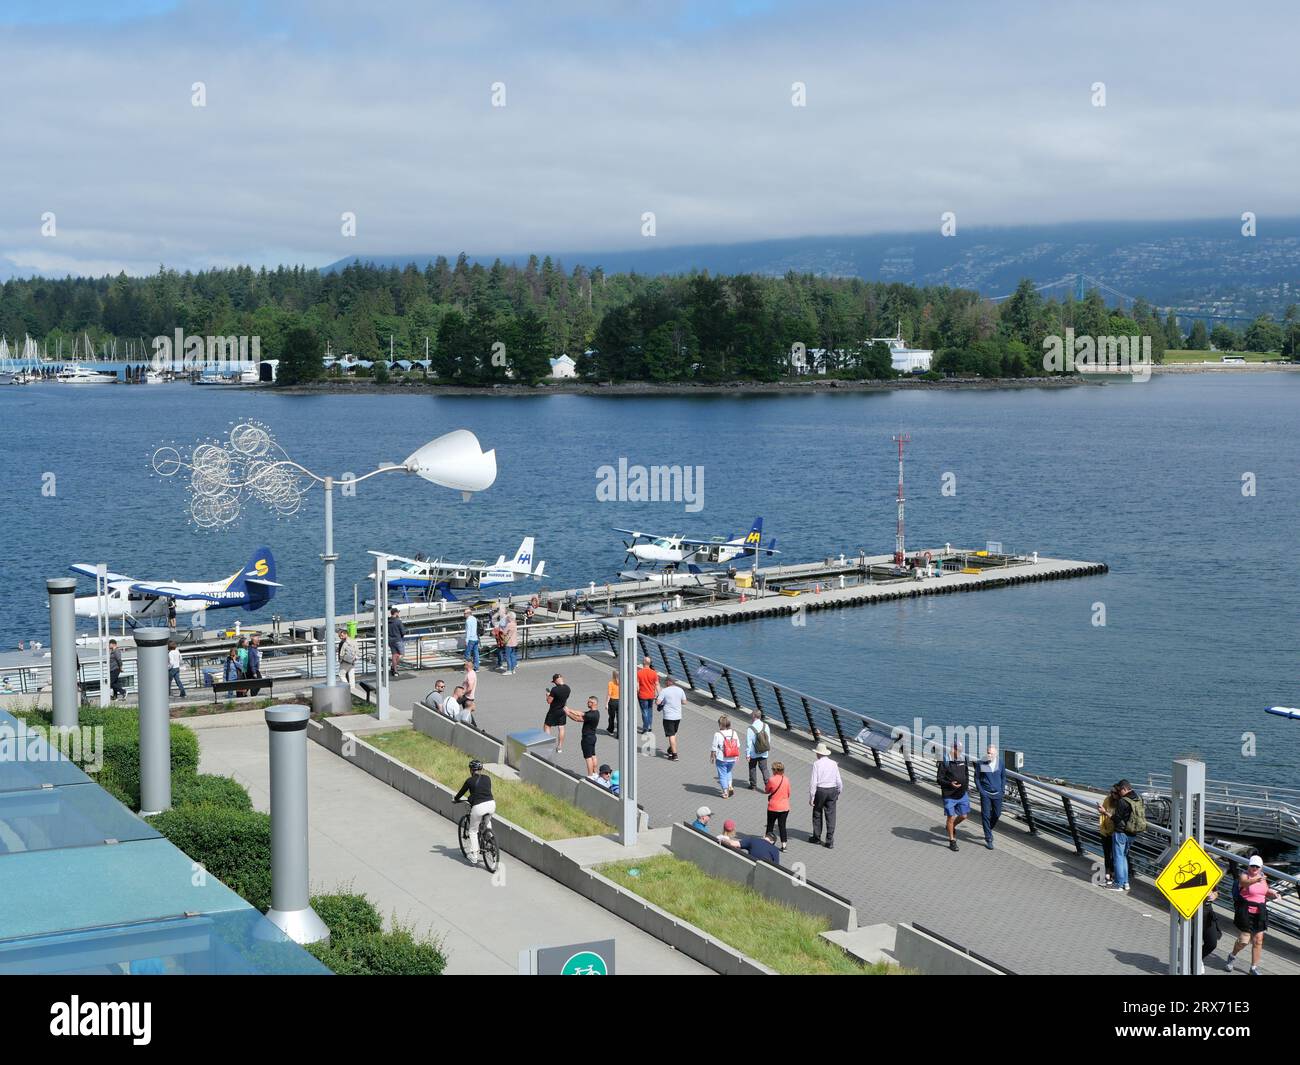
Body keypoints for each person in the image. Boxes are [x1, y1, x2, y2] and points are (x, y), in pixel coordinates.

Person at [1226, 855, 1282, 975]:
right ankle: (1232, 955)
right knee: (1244, 940)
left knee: (1258, 941)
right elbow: (1244, 883)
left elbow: (1265, 891)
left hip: (1260, 912)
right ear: (1249, 866)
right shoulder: (1244, 875)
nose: (1254, 868)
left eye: (1257, 866)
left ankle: (1253, 968)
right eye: (1253, 865)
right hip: (1246, 911)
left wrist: (1275, 893)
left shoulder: (1262, 877)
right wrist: (1256, 880)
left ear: (1261, 868)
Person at [453, 759, 496, 865]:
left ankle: (474, 856)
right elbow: (483, 791)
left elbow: (461, 792)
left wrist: (455, 799)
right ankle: (490, 841)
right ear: (480, 769)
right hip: (491, 804)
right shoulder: (487, 778)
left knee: (473, 831)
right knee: (487, 821)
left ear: (471, 770)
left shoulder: (469, 781)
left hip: (478, 807)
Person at [1108, 779, 1146, 893]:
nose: (1119, 792)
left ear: (1125, 789)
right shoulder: (1139, 798)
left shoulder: (1123, 801)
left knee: (1118, 858)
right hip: (1133, 833)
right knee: (1124, 857)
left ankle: (1118, 884)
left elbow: (1117, 818)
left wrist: (1105, 813)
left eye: (1120, 790)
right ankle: (1126, 883)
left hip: (1121, 832)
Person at [938, 741, 970, 852]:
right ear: (953, 749)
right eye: (958, 750)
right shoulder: (945, 761)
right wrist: (950, 784)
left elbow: (966, 773)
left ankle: (950, 826)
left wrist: (965, 787)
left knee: (964, 816)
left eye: (961, 750)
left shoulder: (963, 759)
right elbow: (939, 779)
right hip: (949, 795)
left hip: (962, 793)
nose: (960, 752)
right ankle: (952, 840)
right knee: (950, 817)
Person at [809, 743, 842, 848]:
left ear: (818, 754)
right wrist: (838, 791)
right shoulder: (834, 763)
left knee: (817, 813)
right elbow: (839, 781)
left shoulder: (816, 764)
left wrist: (812, 796)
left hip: (820, 790)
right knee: (831, 816)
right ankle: (829, 841)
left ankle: (817, 837)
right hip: (832, 790)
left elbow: (813, 782)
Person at [974, 744, 1004, 849]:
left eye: (991, 753)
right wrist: (981, 791)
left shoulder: (1000, 763)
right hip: (985, 793)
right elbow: (977, 778)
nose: (988, 755)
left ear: (996, 754)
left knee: (997, 814)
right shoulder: (981, 763)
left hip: (997, 794)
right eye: (987, 752)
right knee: (985, 815)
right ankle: (988, 838)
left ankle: (988, 829)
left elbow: (1003, 777)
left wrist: (1002, 790)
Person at [567, 695, 602, 776]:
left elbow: (577, 718)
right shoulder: (595, 712)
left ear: (593, 703)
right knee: (593, 755)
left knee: (588, 758)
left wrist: (567, 713)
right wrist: (569, 710)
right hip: (593, 737)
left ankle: (590, 776)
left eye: (589, 702)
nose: (587, 703)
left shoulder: (591, 715)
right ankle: (595, 773)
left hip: (587, 738)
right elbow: (580, 713)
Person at [711, 715, 741, 797]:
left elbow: (714, 747)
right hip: (732, 757)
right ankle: (730, 785)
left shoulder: (717, 734)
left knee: (722, 774)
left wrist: (712, 757)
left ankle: (725, 792)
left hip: (722, 757)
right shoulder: (734, 733)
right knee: (728, 771)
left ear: (720, 724)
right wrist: (737, 756)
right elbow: (738, 745)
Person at [764, 759, 791, 849]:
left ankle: (768, 842)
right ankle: (784, 845)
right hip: (784, 807)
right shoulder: (786, 779)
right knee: (782, 826)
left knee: (770, 825)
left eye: (772, 769)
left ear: (775, 770)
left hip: (773, 807)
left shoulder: (771, 779)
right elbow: (788, 793)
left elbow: (766, 790)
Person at [656, 677, 685, 760]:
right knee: (674, 733)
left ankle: (674, 754)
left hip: (668, 717)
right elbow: (684, 702)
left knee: (671, 735)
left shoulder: (664, 691)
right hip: (678, 716)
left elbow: (658, 702)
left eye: (665, 681)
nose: (665, 683)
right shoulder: (680, 690)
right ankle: (671, 749)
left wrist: (662, 702)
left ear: (668, 682)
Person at [1097, 785, 1119, 886]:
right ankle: (1107, 875)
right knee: (1107, 855)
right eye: (1111, 792)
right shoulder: (1107, 800)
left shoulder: (1121, 803)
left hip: (1116, 833)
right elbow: (1102, 815)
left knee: (1115, 856)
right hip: (1105, 832)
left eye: (1115, 793)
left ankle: (1114, 875)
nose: (1112, 794)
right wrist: (1103, 829)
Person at [544, 672, 571, 753]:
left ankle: (548, 745)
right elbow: (564, 699)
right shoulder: (568, 688)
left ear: (555, 681)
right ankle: (559, 747)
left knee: (547, 726)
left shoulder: (554, 690)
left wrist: (547, 695)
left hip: (553, 711)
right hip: (562, 710)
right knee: (561, 728)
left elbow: (549, 701)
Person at [746, 710, 771, 790]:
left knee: (752, 768)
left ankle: (753, 785)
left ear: (754, 716)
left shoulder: (750, 728)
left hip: (753, 753)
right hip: (764, 752)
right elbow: (768, 739)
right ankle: (768, 786)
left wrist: (747, 754)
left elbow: (748, 743)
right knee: (764, 769)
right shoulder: (766, 726)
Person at [636, 656, 658, 734]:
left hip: (642, 695)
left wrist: (637, 693)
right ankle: (649, 726)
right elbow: (657, 684)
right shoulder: (654, 673)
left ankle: (645, 727)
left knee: (644, 711)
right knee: (650, 710)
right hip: (651, 695)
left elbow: (637, 686)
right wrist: (659, 695)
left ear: (644, 662)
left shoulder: (639, 673)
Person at [1202, 889, 1223, 964]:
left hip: (1207, 913)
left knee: (1212, 943)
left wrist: (1214, 895)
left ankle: (1197, 959)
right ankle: (1193, 964)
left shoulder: (1209, 877)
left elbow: (1216, 891)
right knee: (1194, 942)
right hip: (1191, 913)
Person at [387, 607, 406, 674]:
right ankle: (393, 667)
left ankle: (394, 670)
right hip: (398, 640)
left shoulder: (387, 621)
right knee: (402, 655)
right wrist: (401, 636)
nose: (398, 613)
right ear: (396, 613)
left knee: (394, 655)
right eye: (398, 612)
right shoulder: (398, 621)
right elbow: (403, 632)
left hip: (390, 641)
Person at [503, 611, 519, 675]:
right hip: (514, 642)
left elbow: (504, 632)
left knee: (507, 656)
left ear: (510, 618)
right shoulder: (515, 623)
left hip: (509, 642)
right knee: (512, 655)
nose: (507, 618)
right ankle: (513, 669)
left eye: (507, 617)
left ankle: (509, 670)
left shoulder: (509, 624)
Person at [605, 669, 620, 735]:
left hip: (612, 701)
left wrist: (606, 703)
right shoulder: (623, 682)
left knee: (611, 717)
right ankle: (619, 733)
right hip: (620, 701)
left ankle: (610, 730)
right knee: (619, 717)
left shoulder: (611, 683)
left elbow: (609, 694)